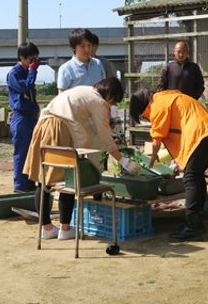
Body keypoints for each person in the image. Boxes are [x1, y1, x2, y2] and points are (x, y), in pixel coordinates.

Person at [23, 78, 140, 240]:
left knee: (43, 180)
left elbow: (89, 126)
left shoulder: (84, 90)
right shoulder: (98, 101)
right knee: (68, 180)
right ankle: (65, 228)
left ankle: (46, 228)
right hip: (59, 130)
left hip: (42, 127)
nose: (111, 105)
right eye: (113, 101)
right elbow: (105, 135)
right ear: (110, 95)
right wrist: (123, 161)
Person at [129, 87, 208, 241]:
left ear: (142, 106)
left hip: (201, 136)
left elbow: (157, 137)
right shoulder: (168, 98)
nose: (146, 118)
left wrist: (153, 157)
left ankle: (192, 226)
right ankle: (196, 222)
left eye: (142, 115)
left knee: (190, 179)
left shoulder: (158, 104)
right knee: (196, 177)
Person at [7, 41, 40, 194]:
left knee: (32, 151)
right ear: (22, 57)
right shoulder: (14, 73)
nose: (34, 62)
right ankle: (20, 185)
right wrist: (33, 71)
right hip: (21, 117)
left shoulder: (27, 72)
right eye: (31, 59)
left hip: (31, 116)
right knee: (21, 151)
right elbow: (26, 86)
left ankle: (30, 182)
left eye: (35, 59)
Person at [57, 28, 105, 92]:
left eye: (89, 45)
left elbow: (104, 89)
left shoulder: (98, 63)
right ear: (73, 47)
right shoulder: (66, 69)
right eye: (82, 46)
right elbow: (62, 95)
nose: (87, 49)